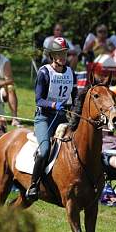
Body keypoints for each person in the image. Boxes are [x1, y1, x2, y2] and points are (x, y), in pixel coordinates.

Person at [26, 37, 78, 201]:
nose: (63, 56)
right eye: (59, 53)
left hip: (63, 117)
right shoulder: (44, 72)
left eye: (64, 53)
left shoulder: (70, 72)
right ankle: (33, 185)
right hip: (44, 118)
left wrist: (74, 110)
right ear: (52, 55)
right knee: (45, 150)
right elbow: (38, 100)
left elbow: (74, 97)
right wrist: (54, 105)